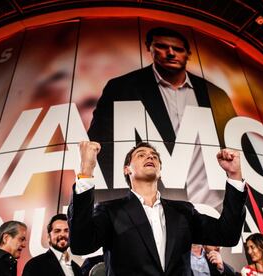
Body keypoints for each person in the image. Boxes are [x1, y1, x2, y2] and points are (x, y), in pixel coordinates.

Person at [88, 26, 236, 209]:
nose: (171, 53)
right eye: (162, 47)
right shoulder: (121, 87)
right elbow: (100, 146)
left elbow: (235, 148)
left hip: (214, 207)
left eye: (178, 49)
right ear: (149, 48)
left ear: (188, 53)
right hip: (152, 207)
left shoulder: (216, 94)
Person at [68, 140, 247, 275]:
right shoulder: (110, 211)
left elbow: (228, 235)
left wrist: (234, 176)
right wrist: (86, 170)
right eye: (141, 155)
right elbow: (81, 244)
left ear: (160, 172)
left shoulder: (184, 211)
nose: (150, 156)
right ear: (127, 169)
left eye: (154, 156)